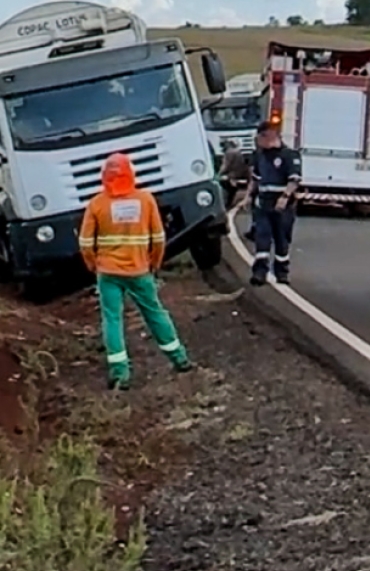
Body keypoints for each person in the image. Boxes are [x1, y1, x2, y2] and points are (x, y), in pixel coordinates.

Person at [78, 152, 192, 391]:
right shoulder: (146, 200)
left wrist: (92, 264)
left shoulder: (97, 204)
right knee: (155, 312)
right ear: (132, 174)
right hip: (139, 270)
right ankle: (179, 358)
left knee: (112, 318)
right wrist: (154, 262)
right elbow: (159, 238)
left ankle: (120, 373)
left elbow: (85, 243)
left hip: (108, 272)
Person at [244, 120, 301, 286]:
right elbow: (255, 179)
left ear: (269, 136)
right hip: (263, 203)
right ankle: (260, 273)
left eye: (260, 138)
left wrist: (285, 197)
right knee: (262, 238)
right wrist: (248, 196)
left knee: (282, 240)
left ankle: (281, 272)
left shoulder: (289, 155)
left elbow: (294, 180)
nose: (258, 142)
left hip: (282, 205)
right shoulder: (260, 155)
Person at [218, 139, 250, 210]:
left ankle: (227, 204)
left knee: (224, 185)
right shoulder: (238, 152)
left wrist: (218, 175)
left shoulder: (229, 153)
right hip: (242, 174)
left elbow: (225, 166)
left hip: (233, 175)